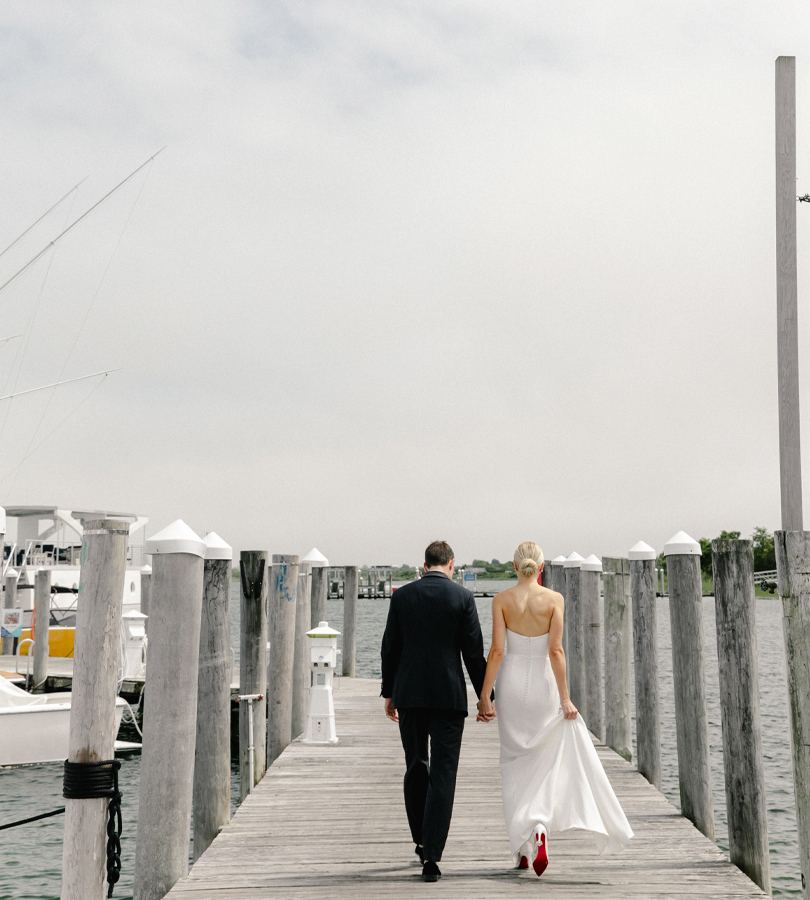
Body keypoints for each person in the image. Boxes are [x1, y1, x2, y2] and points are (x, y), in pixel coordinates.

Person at [476, 541, 633, 876]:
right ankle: (540, 827)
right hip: (546, 686)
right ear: (542, 566)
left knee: (513, 764)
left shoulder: (502, 600)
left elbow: (498, 651)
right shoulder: (554, 600)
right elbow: (556, 651)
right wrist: (565, 698)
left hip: (514, 685)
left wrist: (485, 694)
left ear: (514, 566)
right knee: (545, 761)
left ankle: (520, 849)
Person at [381, 540, 488, 883]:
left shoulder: (401, 596)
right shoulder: (463, 598)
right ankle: (432, 856)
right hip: (448, 698)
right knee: (444, 774)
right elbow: (473, 654)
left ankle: (419, 838)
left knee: (416, 765)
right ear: (452, 564)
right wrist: (486, 696)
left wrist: (389, 693)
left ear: (424, 564)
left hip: (409, 694)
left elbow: (389, 649)